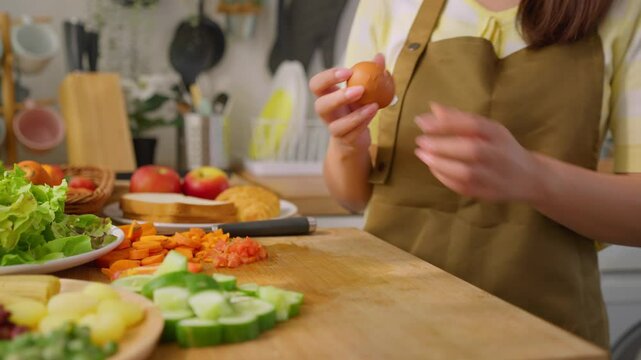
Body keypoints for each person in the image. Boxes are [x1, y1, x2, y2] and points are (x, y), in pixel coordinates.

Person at [309, 0, 641, 348]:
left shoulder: (625, 10)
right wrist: (348, 144)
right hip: (392, 328)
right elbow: (353, 196)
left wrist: (534, 177)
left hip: (544, 339)